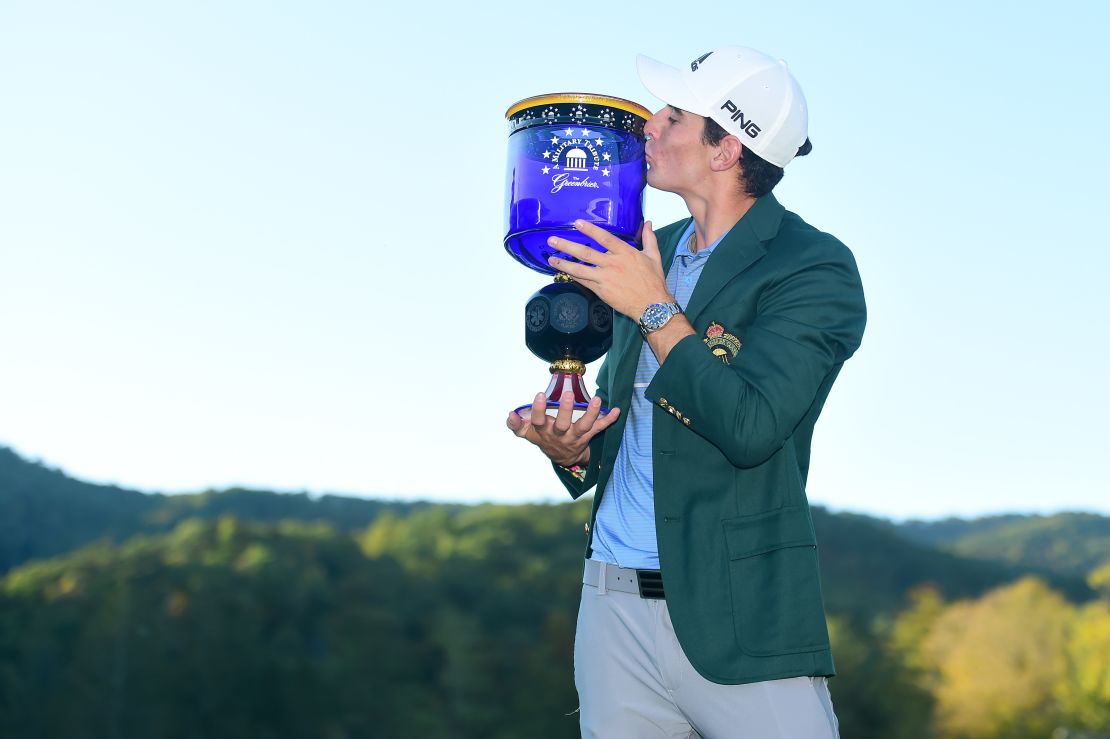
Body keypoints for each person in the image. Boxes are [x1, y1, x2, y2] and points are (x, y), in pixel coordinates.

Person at [506, 45, 866, 738]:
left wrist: (655, 308)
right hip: (612, 609)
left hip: (741, 617)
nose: (648, 126)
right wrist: (571, 446)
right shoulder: (644, 248)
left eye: (673, 116)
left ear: (726, 149)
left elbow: (751, 424)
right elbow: (631, 422)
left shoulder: (814, 268)